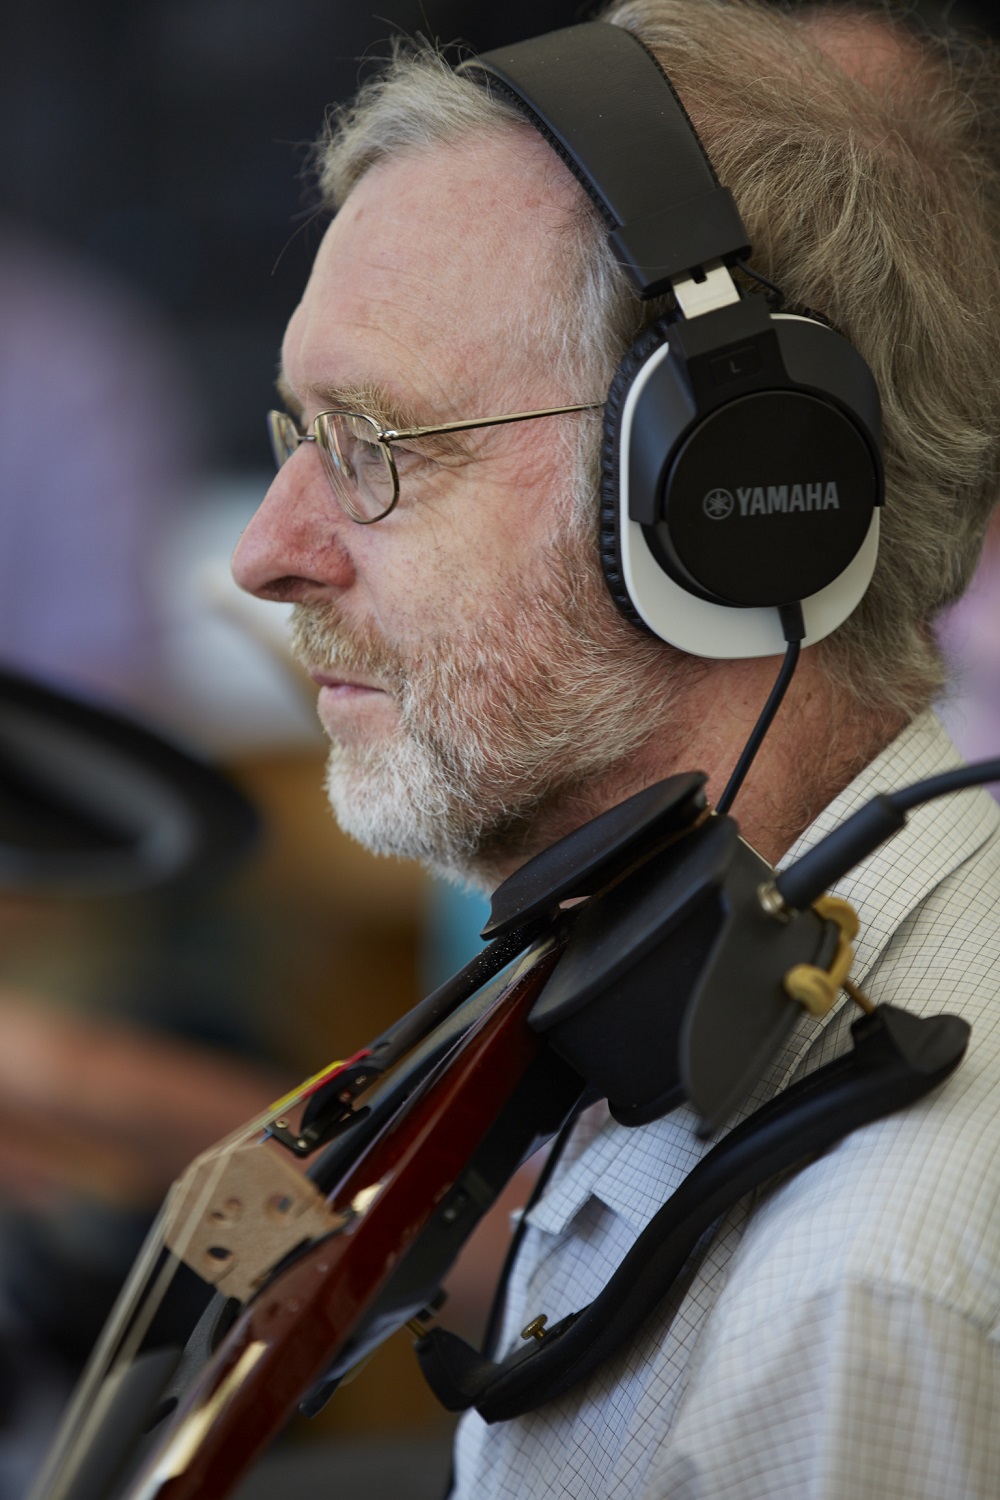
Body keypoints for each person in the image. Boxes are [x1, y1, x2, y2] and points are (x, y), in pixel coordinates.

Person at [231, 1, 1000, 1494]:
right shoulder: (675, 971)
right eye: (296, 435)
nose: (269, 552)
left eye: (377, 444)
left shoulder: (858, 1287)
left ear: (734, 491)